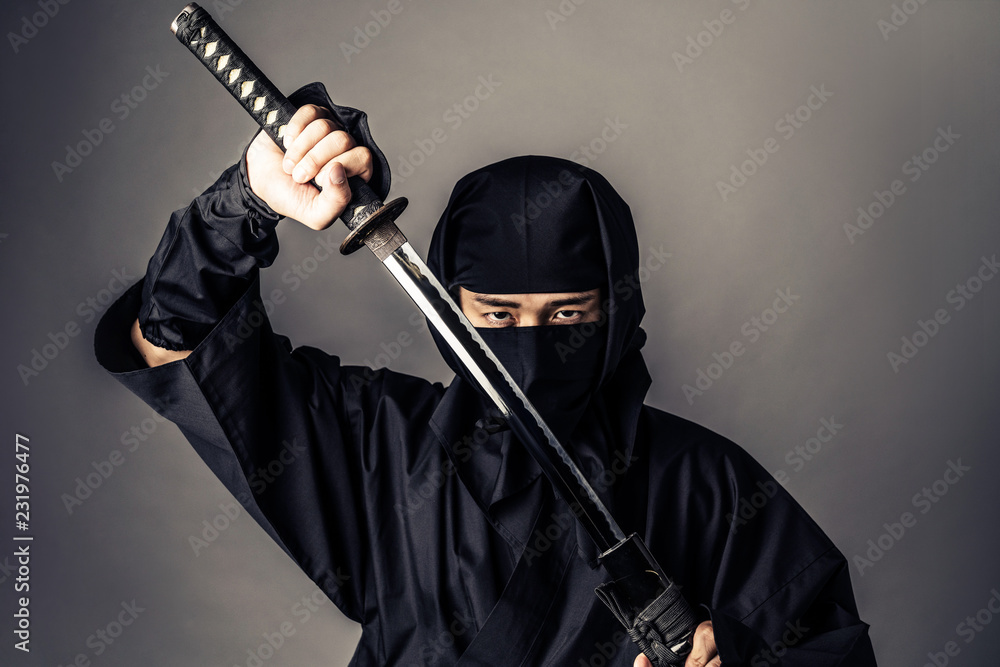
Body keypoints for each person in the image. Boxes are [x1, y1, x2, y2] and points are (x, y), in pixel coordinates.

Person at [95, 82, 877, 666]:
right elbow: (172, 341)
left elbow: (831, 650)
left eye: (567, 314)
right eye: (496, 315)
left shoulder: (712, 487)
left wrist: (735, 655)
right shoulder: (379, 444)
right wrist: (245, 202)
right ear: (452, 309)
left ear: (616, 309)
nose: (531, 350)